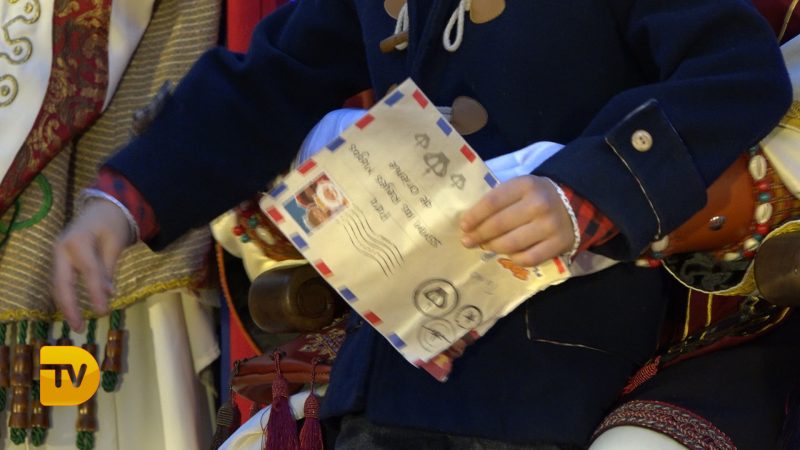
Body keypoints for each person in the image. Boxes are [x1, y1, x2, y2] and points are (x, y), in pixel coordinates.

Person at [51, 0, 794, 448]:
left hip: (555, 368)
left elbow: (736, 76)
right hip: (388, 368)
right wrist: (120, 201)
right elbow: (268, 85)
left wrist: (584, 191)